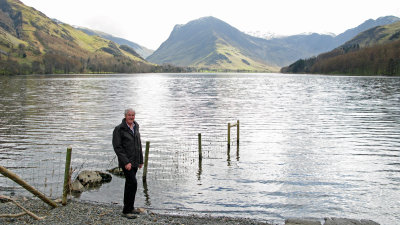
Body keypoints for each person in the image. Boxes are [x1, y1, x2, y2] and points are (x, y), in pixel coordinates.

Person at [112, 108, 144, 219]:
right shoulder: (119, 129)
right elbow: (118, 148)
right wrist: (126, 162)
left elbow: (138, 144)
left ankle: (130, 208)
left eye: (133, 115)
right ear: (125, 116)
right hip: (127, 163)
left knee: (130, 184)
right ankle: (126, 211)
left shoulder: (136, 126)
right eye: (129, 115)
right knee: (133, 183)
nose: (131, 117)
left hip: (135, 162)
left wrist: (141, 160)